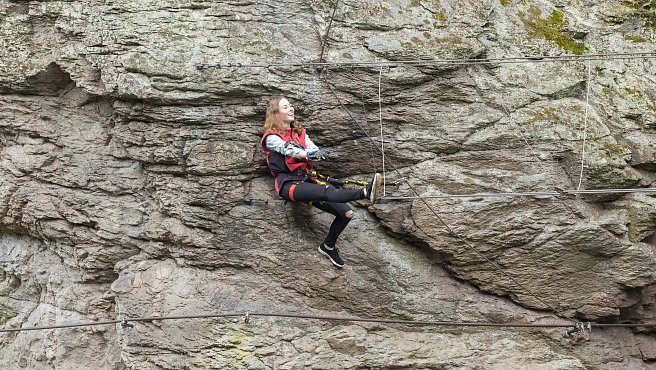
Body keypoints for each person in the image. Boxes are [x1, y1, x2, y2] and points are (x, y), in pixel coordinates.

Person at [260, 96, 382, 268]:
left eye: (291, 105)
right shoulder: (270, 137)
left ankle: (328, 246)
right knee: (327, 192)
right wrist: (306, 154)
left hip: (306, 179)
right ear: (275, 113)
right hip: (289, 184)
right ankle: (364, 193)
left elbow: (311, 148)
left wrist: (316, 152)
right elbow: (287, 149)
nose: (291, 108)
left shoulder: (300, 133)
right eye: (285, 107)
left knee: (346, 214)